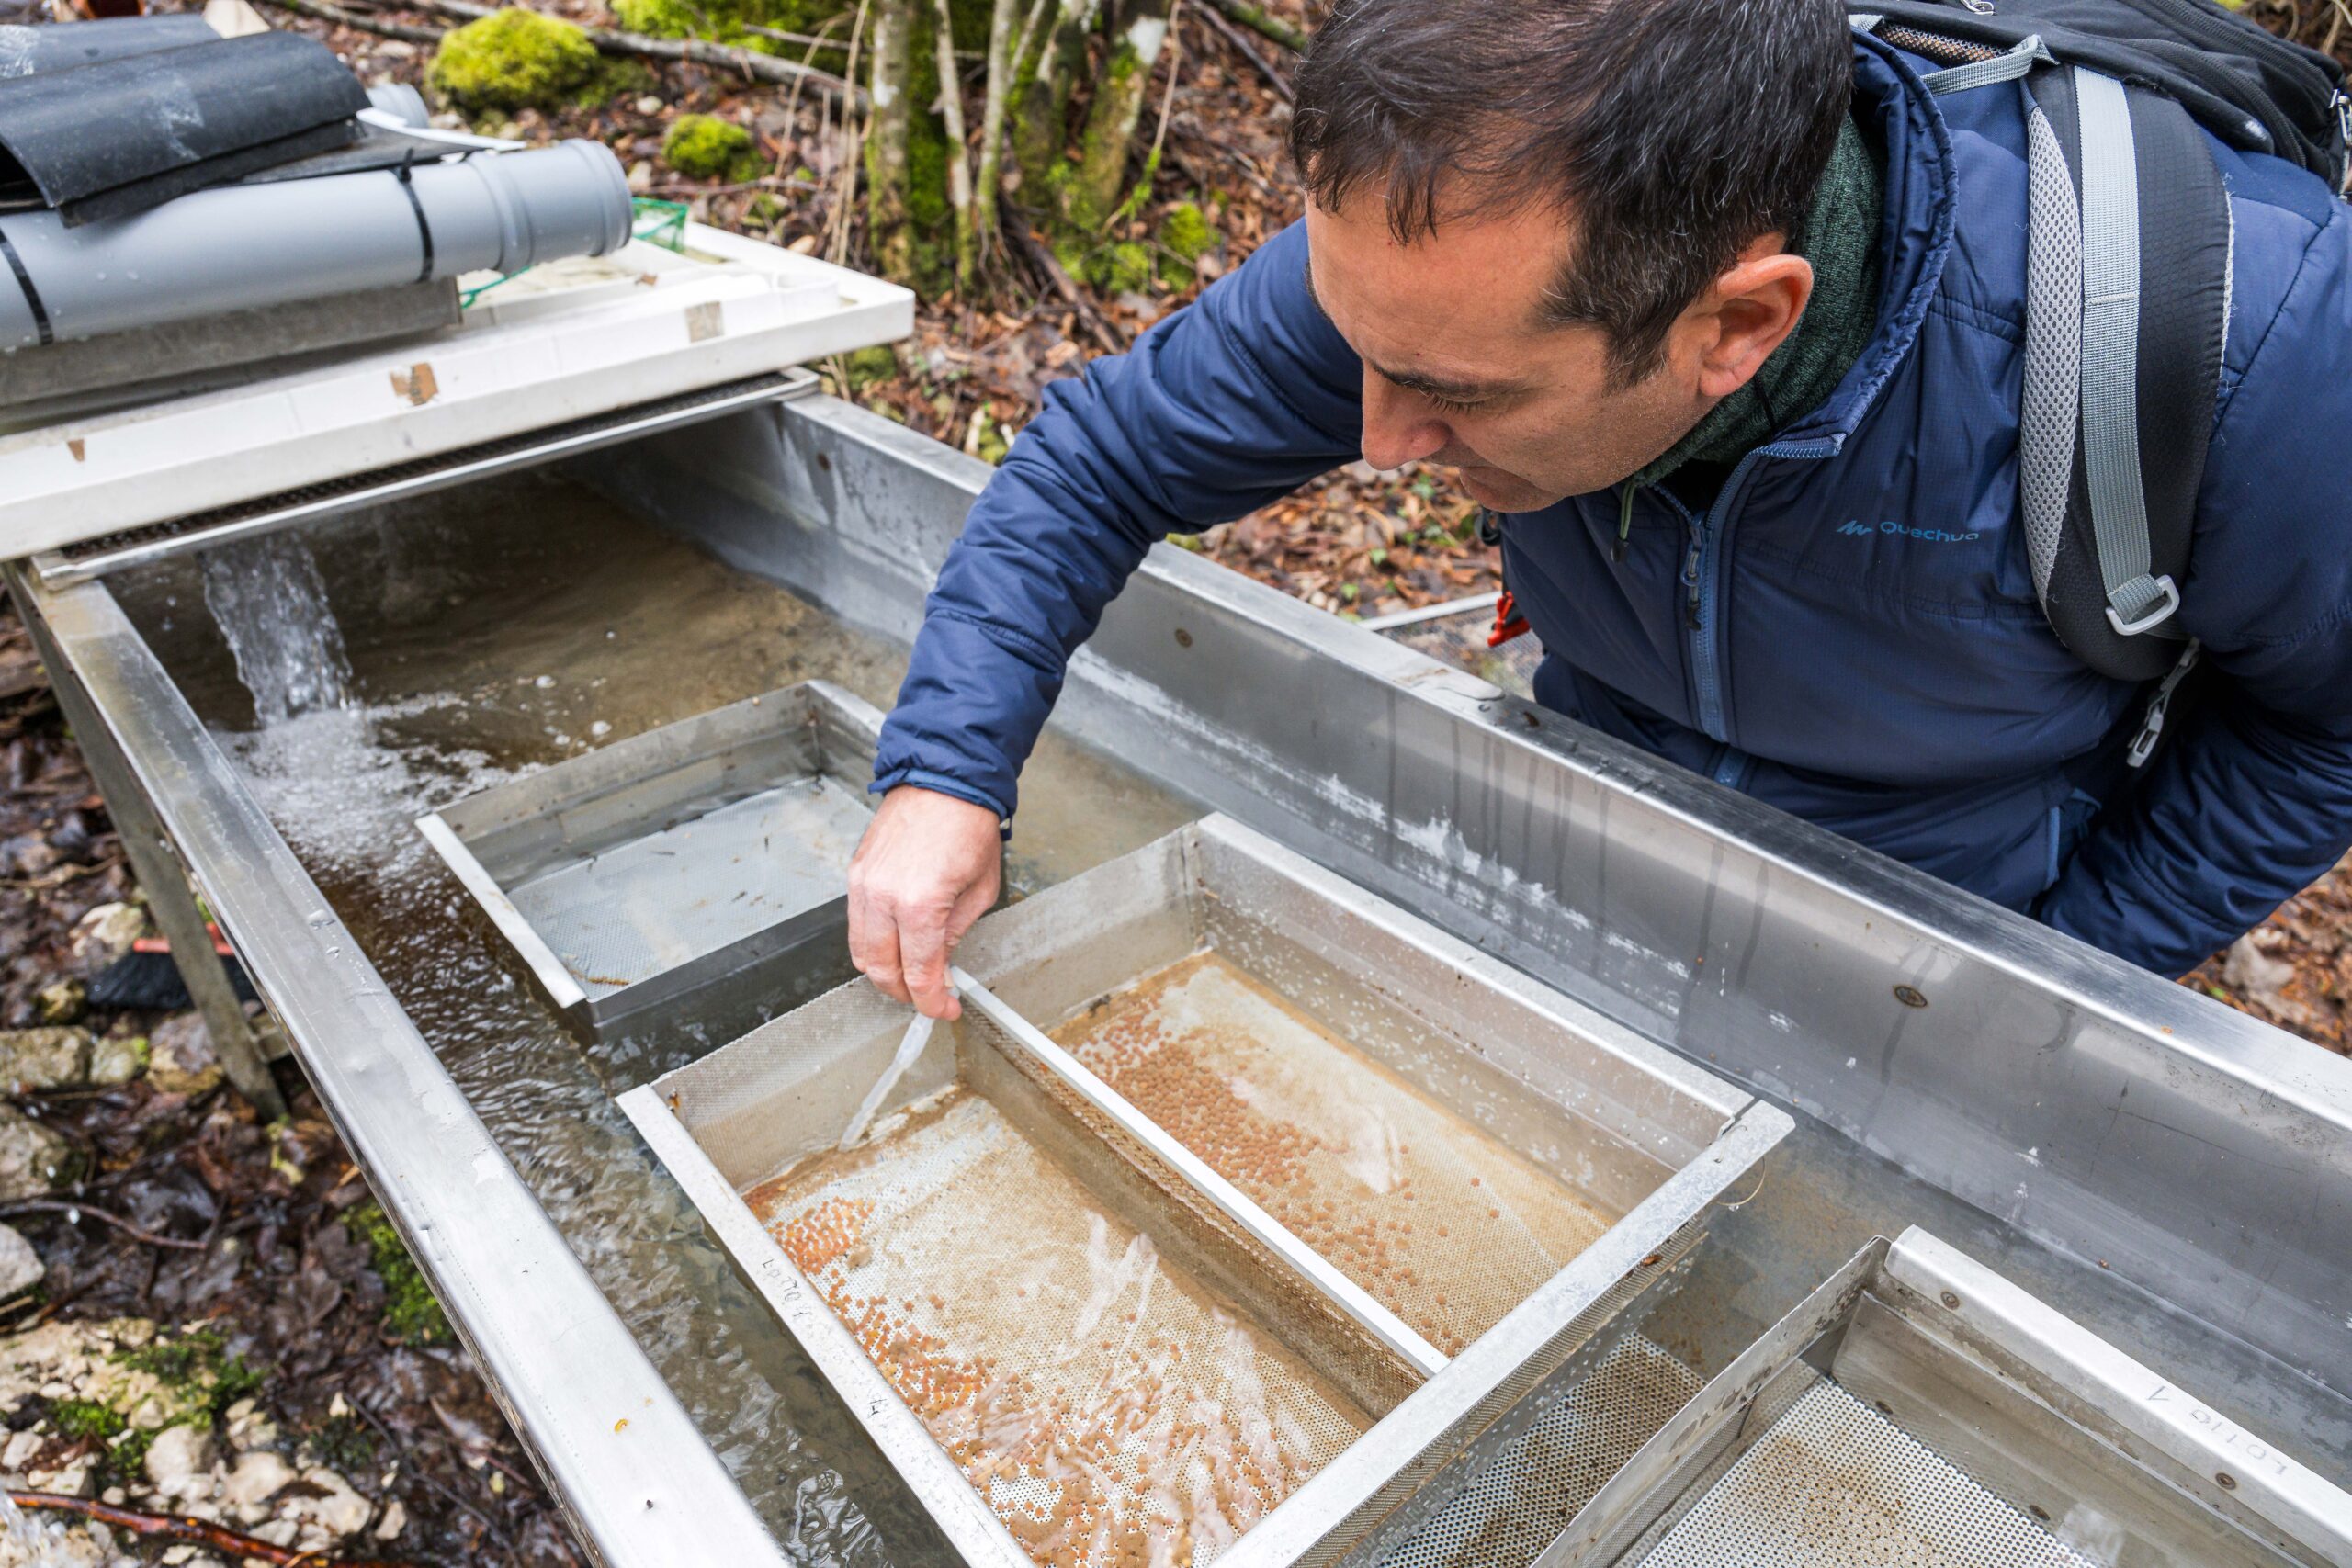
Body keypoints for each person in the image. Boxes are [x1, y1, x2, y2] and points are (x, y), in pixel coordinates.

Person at [845, 0, 2352, 1021]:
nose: (1376, 443)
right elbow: (1103, 460)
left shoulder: (2235, 345)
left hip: (1952, 903)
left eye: (1455, 398)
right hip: (1582, 822)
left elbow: (2320, 728)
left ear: (1740, 325)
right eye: (1356, 348)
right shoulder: (1443, 268)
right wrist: (944, 773)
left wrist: (2054, 977)